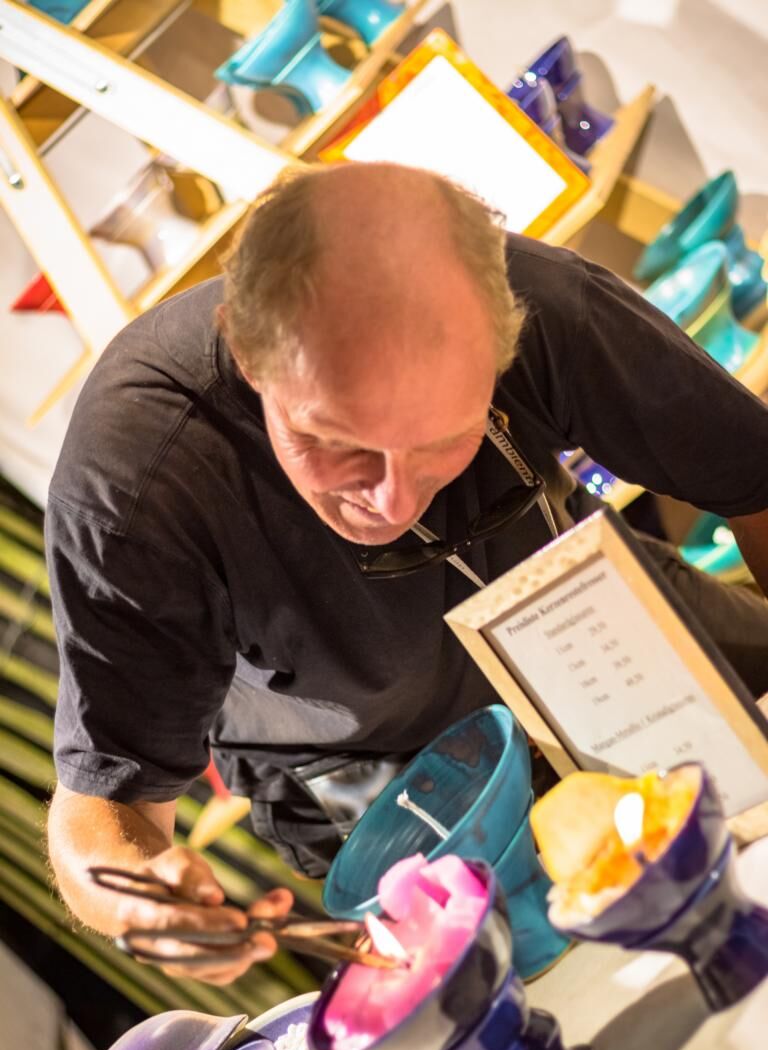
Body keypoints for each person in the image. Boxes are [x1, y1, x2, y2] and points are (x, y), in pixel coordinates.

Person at [46, 162, 768, 984]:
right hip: (389, 780)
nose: (388, 500)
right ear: (248, 357)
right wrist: (139, 902)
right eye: (336, 443)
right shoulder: (137, 483)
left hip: (580, 611)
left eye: (440, 441)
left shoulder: (542, 302)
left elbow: (756, 484)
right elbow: (104, 807)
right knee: (569, 997)